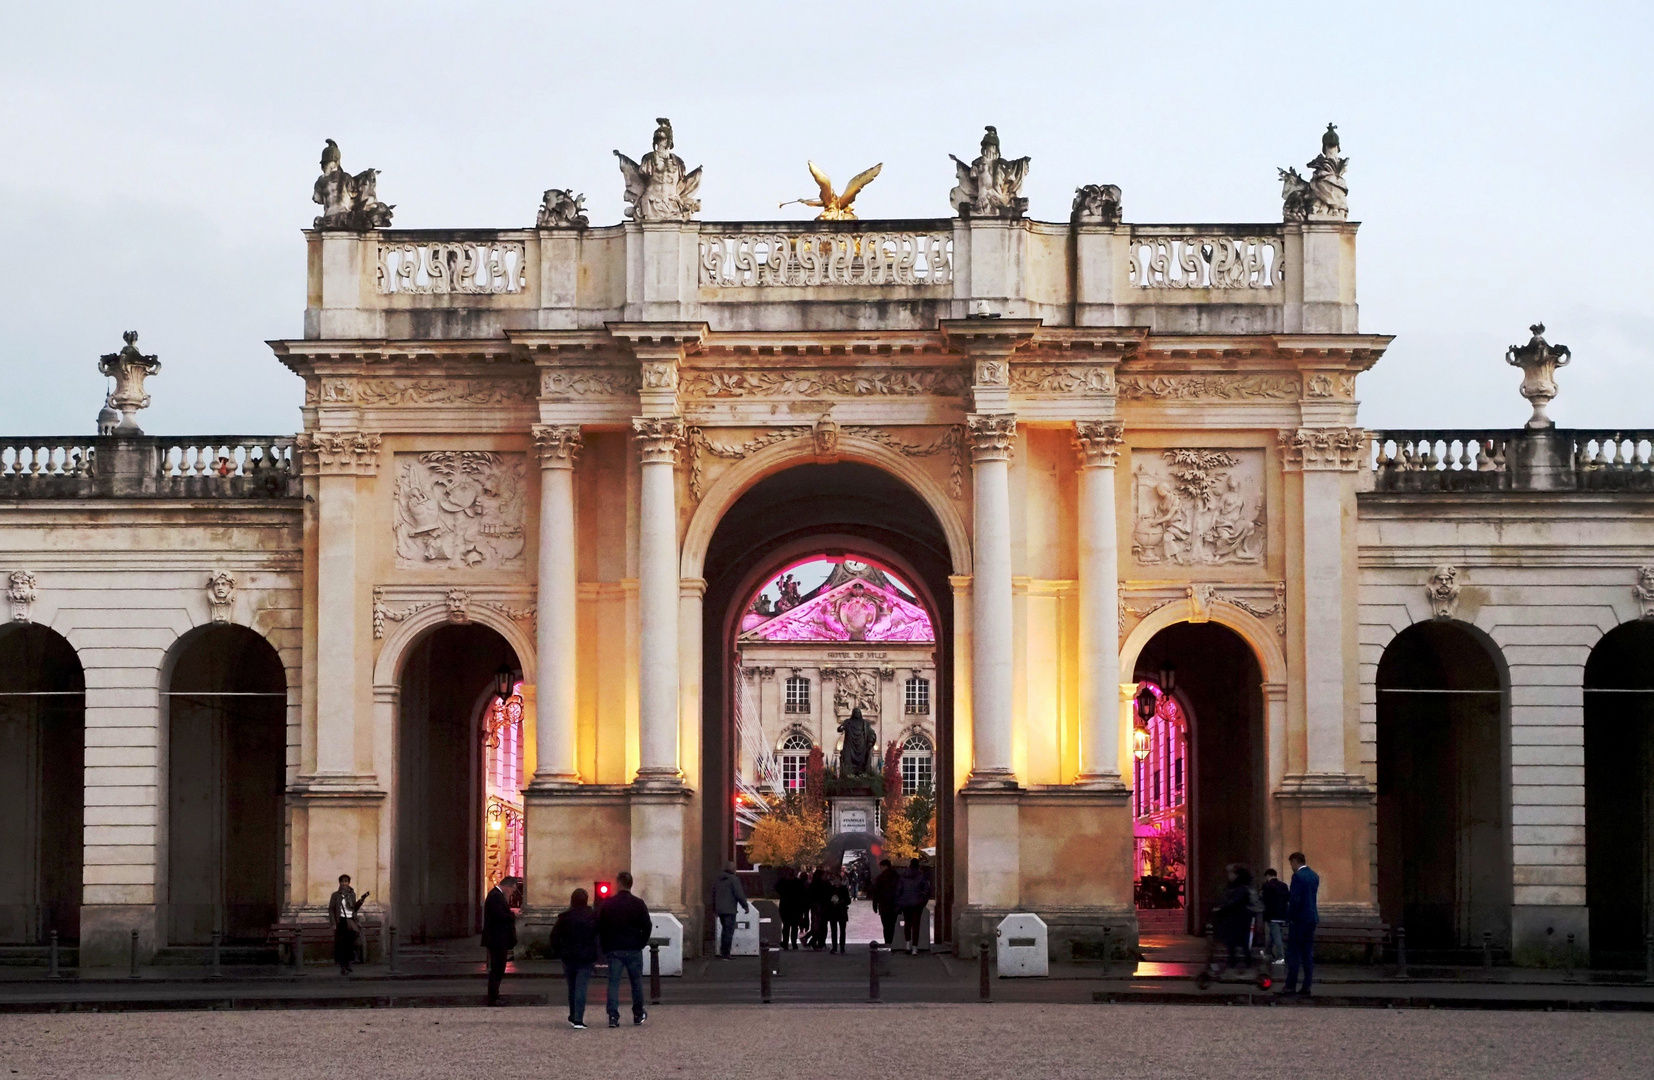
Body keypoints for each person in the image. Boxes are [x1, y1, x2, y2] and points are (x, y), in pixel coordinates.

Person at [597, 870, 652, 1027]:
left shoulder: (608, 903)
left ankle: (613, 1016)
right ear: (631, 884)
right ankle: (638, 1013)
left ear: (618, 883)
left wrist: (605, 946)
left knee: (613, 983)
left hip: (614, 948)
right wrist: (641, 942)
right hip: (633, 948)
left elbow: (602, 926)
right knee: (636, 983)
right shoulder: (638, 903)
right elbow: (647, 926)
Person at [549, 888, 601, 1029]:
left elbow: (554, 937)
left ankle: (573, 1015)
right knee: (581, 988)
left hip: (568, 955)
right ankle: (578, 1018)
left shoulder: (565, 917)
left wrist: (559, 951)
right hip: (586, 956)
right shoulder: (592, 916)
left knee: (571, 987)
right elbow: (598, 936)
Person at [1284, 851, 1320, 996]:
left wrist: (1289, 916)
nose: (1291, 867)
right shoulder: (1314, 876)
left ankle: (1290, 986)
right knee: (1307, 953)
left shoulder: (1297, 877)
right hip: (1311, 918)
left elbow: (1295, 900)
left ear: (1294, 862)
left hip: (1299, 919)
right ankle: (1306, 985)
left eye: (1291, 864)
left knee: (1294, 953)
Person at [1212, 865, 1260, 973]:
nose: (1229, 876)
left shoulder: (1241, 888)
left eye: (1231, 873)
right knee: (1235, 944)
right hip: (1234, 920)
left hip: (1239, 920)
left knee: (1239, 943)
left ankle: (1240, 965)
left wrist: (1221, 909)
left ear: (1236, 875)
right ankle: (1237, 964)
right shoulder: (1233, 887)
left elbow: (1234, 903)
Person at [482, 875, 520, 1006]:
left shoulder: (496, 896)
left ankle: (494, 995)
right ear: (507, 886)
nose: (512, 893)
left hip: (498, 939)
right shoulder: (495, 897)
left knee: (498, 968)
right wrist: (513, 915)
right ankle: (493, 997)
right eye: (513, 890)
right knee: (497, 968)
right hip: (497, 939)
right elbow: (500, 917)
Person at [327, 874, 364, 976]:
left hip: (350, 920)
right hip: (341, 921)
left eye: (346, 881)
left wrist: (360, 902)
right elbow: (331, 909)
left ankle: (348, 963)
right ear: (340, 883)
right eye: (342, 881)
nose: (344, 883)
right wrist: (333, 923)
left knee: (350, 944)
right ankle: (342, 966)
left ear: (349, 883)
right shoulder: (335, 895)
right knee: (341, 944)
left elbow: (354, 909)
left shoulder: (352, 894)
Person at [712, 861, 750, 960]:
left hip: (720, 909)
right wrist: (745, 906)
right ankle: (726, 953)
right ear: (733, 869)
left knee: (724, 930)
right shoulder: (734, 879)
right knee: (729, 931)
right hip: (730, 909)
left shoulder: (717, 879)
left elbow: (713, 894)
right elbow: (739, 894)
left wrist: (714, 908)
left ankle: (722, 951)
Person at [896, 858, 933, 954]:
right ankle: (914, 948)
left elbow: (899, 890)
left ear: (910, 865)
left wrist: (900, 902)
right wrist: (923, 901)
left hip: (906, 903)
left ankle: (907, 945)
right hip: (917, 903)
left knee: (907, 924)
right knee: (916, 925)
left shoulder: (903, 876)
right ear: (918, 865)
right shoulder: (921, 876)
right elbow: (927, 890)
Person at [1260, 868, 1290, 965]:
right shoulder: (1284, 885)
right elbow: (1288, 898)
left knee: (1277, 936)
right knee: (1273, 934)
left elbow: (1262, 898)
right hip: (1282, 914)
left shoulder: (1267, 885)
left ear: (1268, 876)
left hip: (1272, 914)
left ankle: (1280, 957)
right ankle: (1267, 952)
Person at [870, 858, 901, 946]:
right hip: (895, 905)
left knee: (886, 926)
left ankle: (888, 942)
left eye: (881, 867)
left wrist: (875, 905)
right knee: (893, 925)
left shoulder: (880, 878)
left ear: (885, 866)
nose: (880, 869)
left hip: (884, 906)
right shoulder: (897, 877)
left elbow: (876, 892)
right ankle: (894, 942)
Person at [776, 866, 806, 950]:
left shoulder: (783, 882)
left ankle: (786, 942)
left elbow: (777, 889)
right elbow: (802, 894)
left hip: (786, 905)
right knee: (794, 926)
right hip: (795, 906)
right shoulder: (798, 882)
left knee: (786, 926)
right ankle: (793, 943)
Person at [826, 869, 851, 954]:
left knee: (842, 930)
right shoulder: (830, 889)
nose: (836, 881)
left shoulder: (844, 889)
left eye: (837, 879)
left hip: (842, 911)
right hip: (833, 911)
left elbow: (848, 901)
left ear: (840, 880)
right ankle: (834, 947)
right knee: (833, 930)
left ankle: (842, 947)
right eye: (834, 879)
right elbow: (827, 900)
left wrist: (841, 901)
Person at [806, 867, 831, 950]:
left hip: (816, 906)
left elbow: (809, 896)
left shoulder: (813, 884)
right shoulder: (824, 884)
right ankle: (817, 942)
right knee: (821, 926)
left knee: (817, 925)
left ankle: (815, 942)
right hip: (821, 907)